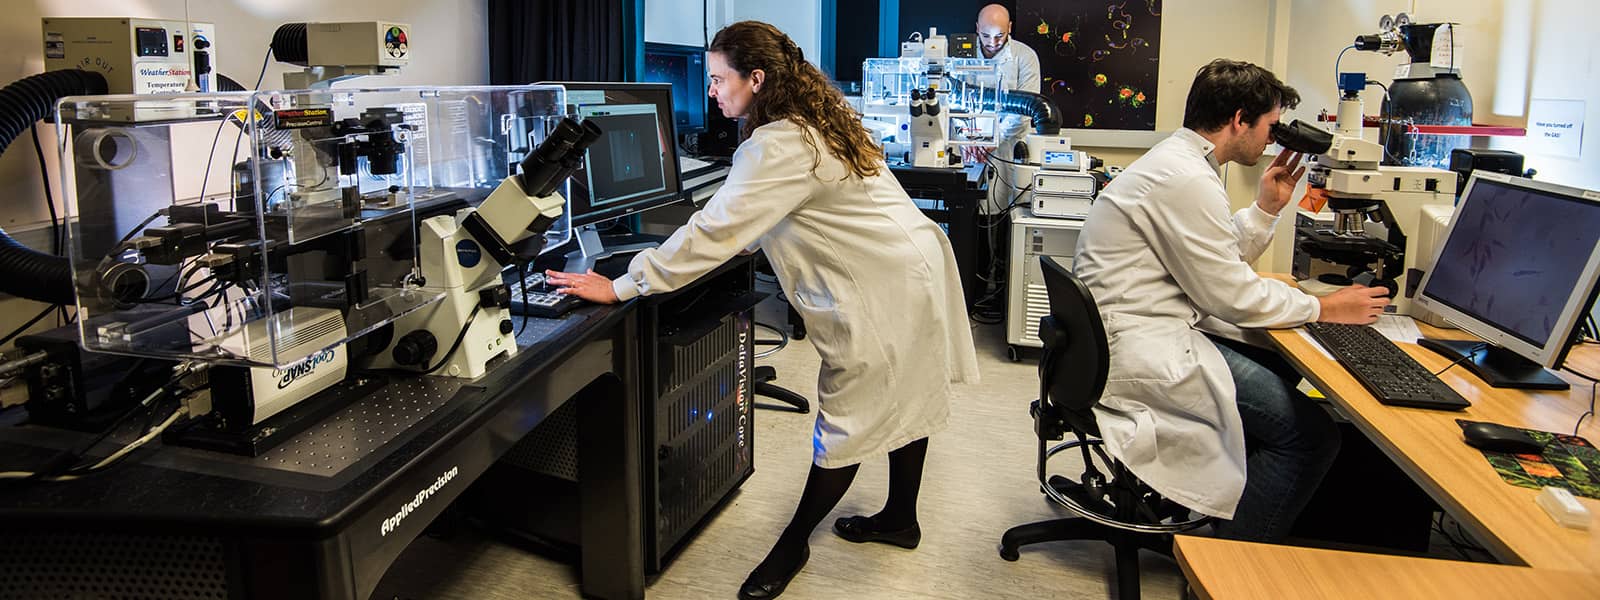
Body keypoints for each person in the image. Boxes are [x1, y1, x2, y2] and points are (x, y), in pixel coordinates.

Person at [544, 21, 980, 599]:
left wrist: (623, 284)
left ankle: (792, 544)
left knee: (846, 419)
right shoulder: (817, 121)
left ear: (757, 79)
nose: (712, 92)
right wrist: (744, 230)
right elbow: (773, 213)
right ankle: (901, 518)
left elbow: (714, 231)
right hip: (911, 262)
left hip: (882, 285)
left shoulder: (779, 143)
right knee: (911, 393)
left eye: (720, 79)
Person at [1071, 59, 1390, 542]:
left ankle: (1231, 507)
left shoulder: (1182, 165)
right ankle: (1229, 566)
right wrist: (1326, 307)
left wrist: (1265, 209)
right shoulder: (1186, 179)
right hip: (1141, 348)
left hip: (1127, 335)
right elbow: (1229, 294)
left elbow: (1211, 257)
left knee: (1280, 370)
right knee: (1312, 438)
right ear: (1240, 119)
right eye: (1269, 125)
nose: (1271, 139)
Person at [968, 3, 1041, 209]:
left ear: (1009, 27)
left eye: (999, 35)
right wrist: (967, 138)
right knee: (965, 213)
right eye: (985, 35)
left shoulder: (1025, 56)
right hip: (968, 147)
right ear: (977, 28)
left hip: (1007, 148)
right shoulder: (962, 53)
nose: (992, 43)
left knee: (1001, 213)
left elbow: (1025, 108)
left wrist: (992, 137)